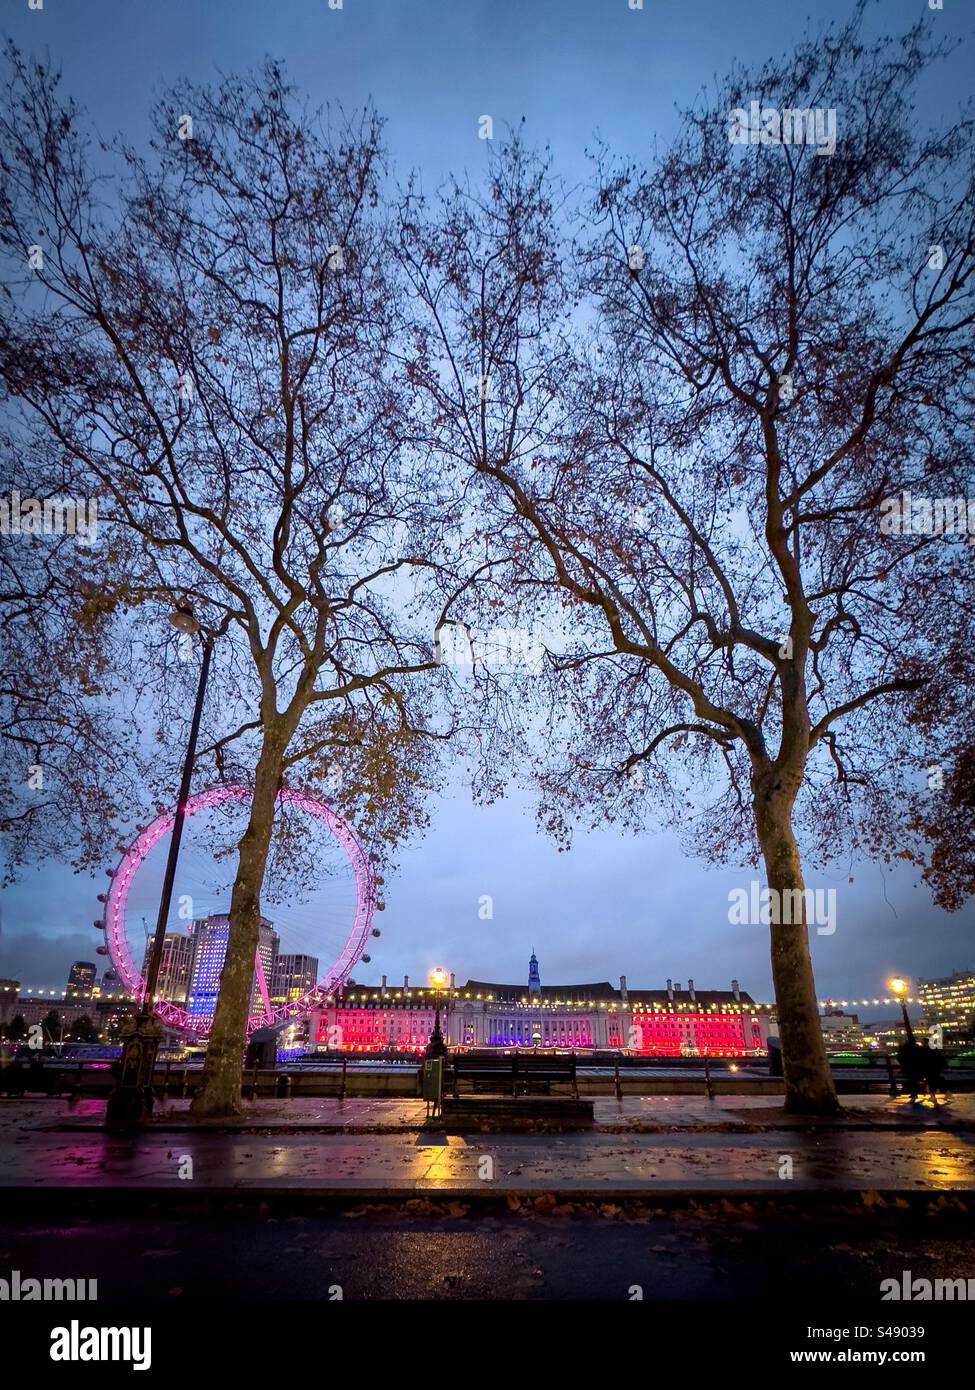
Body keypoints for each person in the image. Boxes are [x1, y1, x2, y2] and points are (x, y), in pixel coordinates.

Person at [896, 1037, 923, 1102]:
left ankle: (912, 1092)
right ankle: (915, 1092)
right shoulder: (917, 1047)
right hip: (916, 1067)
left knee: (910, 1079)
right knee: (914, 1080)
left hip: (907, 1067)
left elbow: (900, 1057)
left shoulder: (904, 1048)